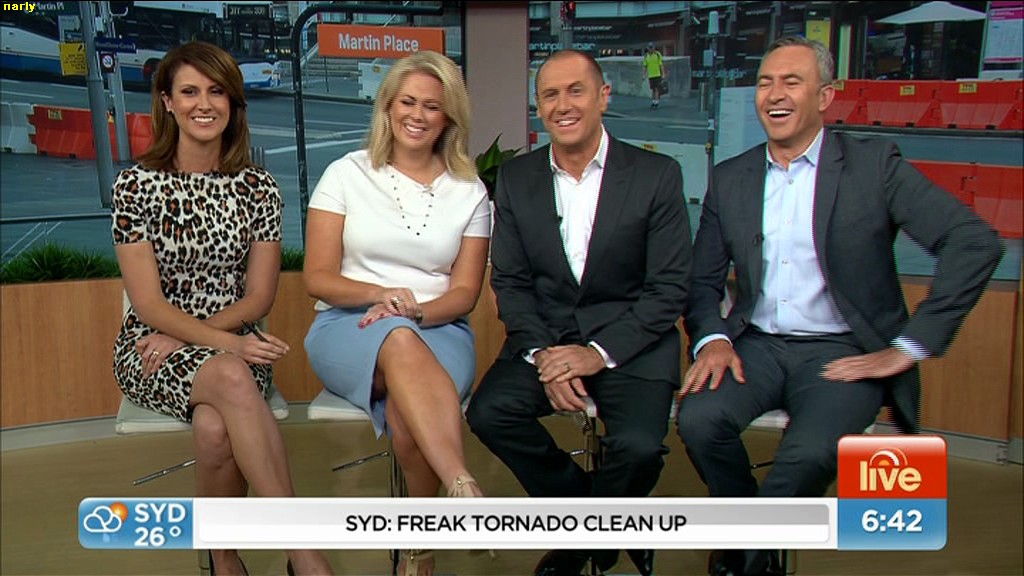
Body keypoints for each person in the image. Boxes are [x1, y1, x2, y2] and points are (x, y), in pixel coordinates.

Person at [677, 36, 1003, 576]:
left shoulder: (873, 166)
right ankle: (750, 537)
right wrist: (711, 338)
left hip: (843, 351)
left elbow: (974, 242)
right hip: (756, 346)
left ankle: (746, 551)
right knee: (699, 420)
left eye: (792, 82)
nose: (774, 95)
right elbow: (701, 280)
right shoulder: (732, 177)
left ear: (825, 97)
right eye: (764, 82)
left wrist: (907, 347)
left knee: (809, 453)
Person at [466, 49, 692, 576]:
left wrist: (596, 354)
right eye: (550, 94)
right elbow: (512, 283)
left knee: (638, 447)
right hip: (546, 338)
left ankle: (578, 543)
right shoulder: (517, 179)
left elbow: (668, 288)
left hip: (633, 343)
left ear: (603, 96)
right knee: (490, 413)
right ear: (538, 106)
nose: (562, 105)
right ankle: (605, 521)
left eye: (576, 91)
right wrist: (545, 356)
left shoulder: (657, 174)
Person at [111, 41, 333, 576]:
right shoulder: (134, 186)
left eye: (216, 92)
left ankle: (223, 558)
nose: (204, 104)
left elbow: (258, 298)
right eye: (189, 92)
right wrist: (225, 343)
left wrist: (201, 335)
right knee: (231, 374)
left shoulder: (259, 188)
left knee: (214, 428)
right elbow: (148, 305)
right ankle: (304, 554)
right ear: (167, 102)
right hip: (152, 350)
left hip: (223, 339)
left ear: (233, 102)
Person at [302, 50, 490, 576]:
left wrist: (415, 311)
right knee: (397, 337)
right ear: (387, 107)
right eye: (406, 102)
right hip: (348, 323)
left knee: (409, 414)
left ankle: (419, 551)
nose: (417, 115)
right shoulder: (345, 174)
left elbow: (465, 293)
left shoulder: (471, 191)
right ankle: (461, 484)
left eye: (432, 105)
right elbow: (318, 277)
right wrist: (381, 296)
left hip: (440, 326)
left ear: (449, 117)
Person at [642, 42, 666, 109]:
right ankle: (653, 102)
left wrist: (663, 73)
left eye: (652, 48)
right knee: (653, 89)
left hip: (657, 74)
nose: (651, 49)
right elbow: (645, 66)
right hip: (651, 75)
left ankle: (656, 103)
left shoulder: (657, 54)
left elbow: (661, 65)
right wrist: (643, 75)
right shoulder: (646, 56)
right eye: (650, 48)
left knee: (657, 89)